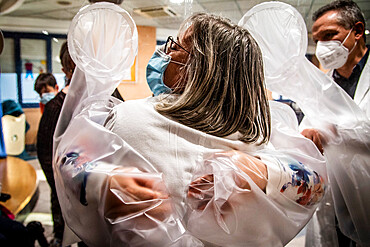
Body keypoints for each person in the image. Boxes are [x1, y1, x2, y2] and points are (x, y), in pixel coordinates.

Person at [54, 11, 327, 246]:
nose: (165, 52)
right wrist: (268, 174)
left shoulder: (125, 120)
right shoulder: (261, 137)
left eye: (175, 47)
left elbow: (67, 157)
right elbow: (313, 186)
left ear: (201, 67)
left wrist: (99, 182)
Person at [301, 1, 369, 246]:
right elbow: (308, 127)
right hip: (331, 199)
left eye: (329, 35)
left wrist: (331, 134)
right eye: (317, 39)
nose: (322, 47)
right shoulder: (323, 83)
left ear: (357, 31)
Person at [36, 41, 75, 247]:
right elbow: (45, 155)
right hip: (64, 194)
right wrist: (64, 188)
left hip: (97, 196)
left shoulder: (108, 97)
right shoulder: (54, 108)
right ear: (65, 69)